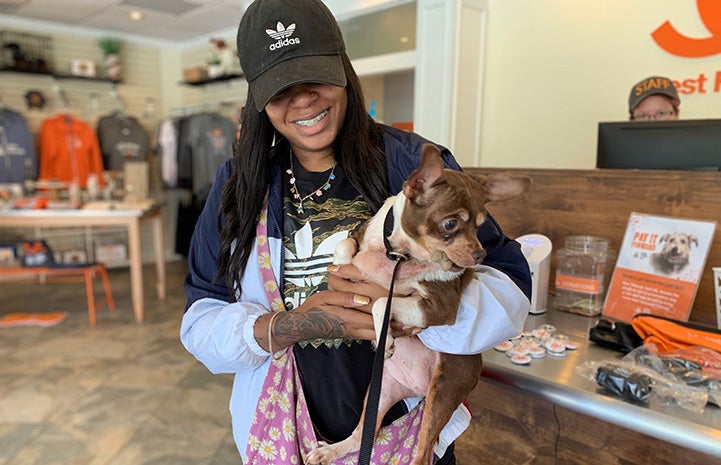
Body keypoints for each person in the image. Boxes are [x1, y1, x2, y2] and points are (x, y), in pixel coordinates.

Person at [180, 0, 531, 463]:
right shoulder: (237, 186)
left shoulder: (413, 164)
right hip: (278, 434)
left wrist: (411, 310)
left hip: (408, 433)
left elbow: (511, 290)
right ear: (257, 98)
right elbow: (201, 320)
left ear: (343, 68)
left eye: (314, 76)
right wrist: (287, 325)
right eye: (280, 88)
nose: (303, 99)